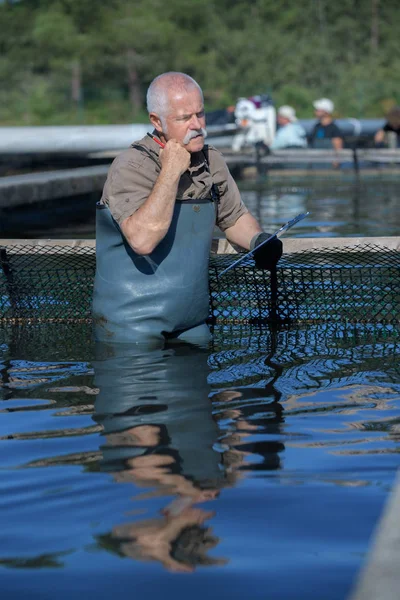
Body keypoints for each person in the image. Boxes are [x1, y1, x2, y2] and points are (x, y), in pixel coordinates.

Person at [93, 72, 283, 345]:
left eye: (201, 114)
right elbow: (142, 240)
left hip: (193, 321)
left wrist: (259, 240)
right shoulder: (130, 166)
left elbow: (233, 218)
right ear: (156, 121)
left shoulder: (212, 160)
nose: (197, 125)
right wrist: (171, 170)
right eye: (184, 118)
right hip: (130, 326)